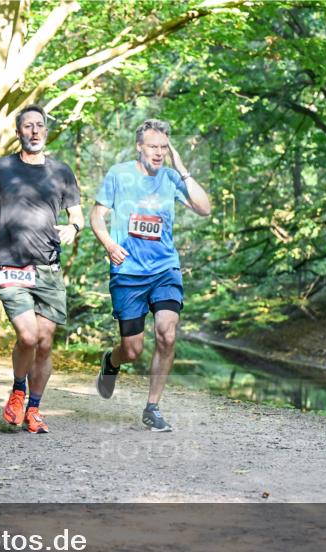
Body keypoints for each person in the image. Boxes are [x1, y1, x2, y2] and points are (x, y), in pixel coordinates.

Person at [90, 118, 211, 431]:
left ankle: (152, 407)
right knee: (132, 349)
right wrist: (108, 244)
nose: (159, 152)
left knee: (167, 333)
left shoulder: (171, 178)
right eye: (153, 146)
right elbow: (97, 216)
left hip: (164, 270)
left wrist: (182, 168)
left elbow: (204, 208)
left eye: (163, 147)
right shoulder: (119, 174)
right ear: (139, 147)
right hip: (128, 271)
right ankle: (112, 362)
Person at [0, 104, 84, 434]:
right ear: (18, 132)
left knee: (45, 342)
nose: (34, 131)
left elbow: (77, 215)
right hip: (10, 265)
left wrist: (73, 228)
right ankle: (18, 390)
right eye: (28, 126)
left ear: (46, 132)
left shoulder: (61, 172)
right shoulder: (1, 168)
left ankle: (34, 409)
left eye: (40, 126)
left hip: (47, 267)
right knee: (28, 335)